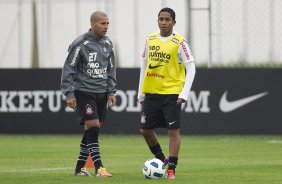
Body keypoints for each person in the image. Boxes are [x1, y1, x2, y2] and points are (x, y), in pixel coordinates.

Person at [137, 7, 196, 180]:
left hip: (171, 93)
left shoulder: (180, 42)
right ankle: (162, 159)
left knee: (173, 132)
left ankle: (171, 168)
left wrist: (184, 93)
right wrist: (141, 92)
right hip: (151, 93)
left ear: (173, 22)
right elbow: (144, 66)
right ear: (157, 21)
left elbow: (191, 67)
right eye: (161, 19)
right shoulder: (150, 39)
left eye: (167, 19)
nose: (164, 22)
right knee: (145, 130)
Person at [61, 11, 116, 177]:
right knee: (93, 126)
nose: (106, 27)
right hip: (84, 90)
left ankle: (79, 169)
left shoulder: (108, 43)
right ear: (92, 24)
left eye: (107, 23)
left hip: (101, 91)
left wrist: (111, 91)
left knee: (92, 130)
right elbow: (69, 69)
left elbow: (111, 69)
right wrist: (69, 93)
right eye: (102, 23)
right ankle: (99, 167)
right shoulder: (80, 44)